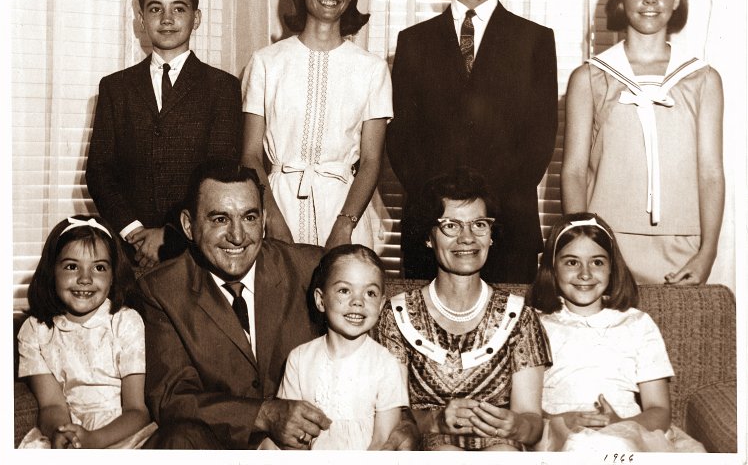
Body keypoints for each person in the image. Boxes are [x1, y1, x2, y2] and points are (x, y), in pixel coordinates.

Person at [138, 160, 418, 450]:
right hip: (219, 444)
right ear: (188, 225)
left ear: (264, 220)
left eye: (249, 217)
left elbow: (366, 360)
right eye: (220, 219)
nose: (237, 236)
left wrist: (405, 423)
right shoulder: (162, 289)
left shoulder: (310, 269)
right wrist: (263, 415)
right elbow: (172, 396)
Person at [386, 0, 558, 284]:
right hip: (430, 231)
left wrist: (481, 216)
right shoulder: (413, 42)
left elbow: (539, 143)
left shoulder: (534, 41)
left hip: (508, 231)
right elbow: (400, 143)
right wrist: (446, 214)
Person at [561, 0, 724, 284]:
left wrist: (707, 252)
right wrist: (583, 247)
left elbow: (710, 173)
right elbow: (575, 171)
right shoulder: (590, 77)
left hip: (682, 246)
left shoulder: (703, 79)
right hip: (605, 244)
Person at [376, 167, 551, 451]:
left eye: (479, 224)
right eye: (451, 225)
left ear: (491, 235)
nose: (467, 237)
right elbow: (393, 419)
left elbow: (532, 422)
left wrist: (516, 425)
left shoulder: (520, 317)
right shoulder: (396, 316)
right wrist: (436, 421)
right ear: (428, 237)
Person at [86, 0, 242, 274]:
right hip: (131, 252)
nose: (167, 19)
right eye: (155, 9)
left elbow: (220, 171)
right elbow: (100, 171)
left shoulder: (222, 87)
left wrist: (170, 234)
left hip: (195, 249)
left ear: (196, 18)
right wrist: (134, 232)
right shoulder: (116, 87)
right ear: (141, 20)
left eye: (178, 9)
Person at [242, 0, 392, 252]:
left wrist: (344, 224)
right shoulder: (266, 62)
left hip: (343, 211)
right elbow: (250, 155)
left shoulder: (372, 69)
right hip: (277, 205)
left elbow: (371, 161)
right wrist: (271, 218)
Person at [527, 213, 705, 452]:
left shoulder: (637, 324)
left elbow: (659, 411)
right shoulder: (534, 325)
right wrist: (563, 420)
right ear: (552, 267)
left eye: (597, 262)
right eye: (572, 262)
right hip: (558, 435)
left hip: (628, 433)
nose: (585, 274)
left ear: (612, 268)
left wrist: (620, 424)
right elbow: (524, 410)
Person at [17, 215, 157, 449]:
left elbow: (137, 411)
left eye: (99, 267)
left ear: (113, 277)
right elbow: (52, 406)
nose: (85, 279)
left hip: (123, 434)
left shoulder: (125, 322)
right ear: (52, 271)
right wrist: (64, 435)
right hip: (70, 428)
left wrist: (94, 440)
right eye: (72, 266)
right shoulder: (35, 331)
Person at [261, 244, 408, 450]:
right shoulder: (300, 358)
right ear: (321, 300)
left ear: (381, 305)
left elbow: (383, 440)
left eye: (370, 293)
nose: (358, 301)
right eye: (344, 290)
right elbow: (290, 432)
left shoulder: (386, 364)